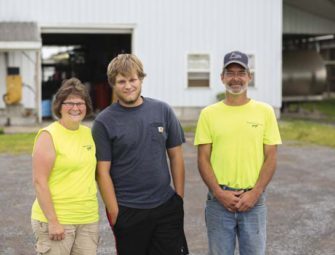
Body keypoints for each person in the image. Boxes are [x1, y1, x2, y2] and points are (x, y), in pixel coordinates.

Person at [92, 53, 189, 255]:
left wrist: (178, 199)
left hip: (166, 207)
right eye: (121, 81)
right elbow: (102, 172)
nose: (128, 86)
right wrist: (114, 212)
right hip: (128, 211)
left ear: (141, 79)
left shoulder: (162, 110)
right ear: (113, 84)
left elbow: (176, 157)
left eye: (133, 79)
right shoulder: (104, 122)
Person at [194, 51, 282, 255]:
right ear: (222, 77)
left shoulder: (265, 112)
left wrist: (256, 192)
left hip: (254, 200)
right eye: (230, 73)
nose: (235, 78)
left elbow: (271, 156)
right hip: (219, 202)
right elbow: (203, 159)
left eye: (241, 72)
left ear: (249, 77)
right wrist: (219, 193)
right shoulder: (209, 114)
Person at [31, 78, 99, 255]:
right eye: (69, 103)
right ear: (60, 106)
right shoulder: (49, 135)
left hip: (88, 220)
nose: (75, 108)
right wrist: (53, 221)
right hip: (58, 220)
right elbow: (39, 181)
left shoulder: (89, 134)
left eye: (80, 103)